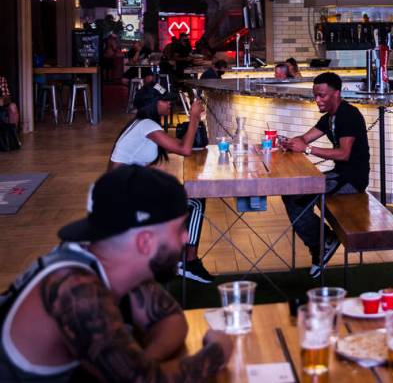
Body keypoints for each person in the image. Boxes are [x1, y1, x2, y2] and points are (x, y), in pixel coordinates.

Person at [0, 167, 232, 381]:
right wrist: (217, 351)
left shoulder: (112, 264)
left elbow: (170, 319)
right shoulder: (76, 290)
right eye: (181, 228)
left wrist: (141, 362)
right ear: (144, 242)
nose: (185, 238)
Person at [109, 85, 212, 284]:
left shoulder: (141, 124)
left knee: (184, 197)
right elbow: (184, 150)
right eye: (165, 100)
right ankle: (188, 261)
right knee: (196, 202)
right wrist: (193, 119)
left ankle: (178, 258)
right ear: (153, 104)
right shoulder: (147, 125)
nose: (169, 104)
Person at [280, 72, 370, 278]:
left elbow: (344, 154)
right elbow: (305, 138)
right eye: (315, 96)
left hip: (352, 180)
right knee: (293, 194)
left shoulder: (349, 115)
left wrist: (307, 150)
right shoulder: (329, 118)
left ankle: (322, 243)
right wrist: (290, 142)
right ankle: (323, 242)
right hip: (339, 175)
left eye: (322, 95)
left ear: (336, 94)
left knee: (296, 198)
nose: (317, 100)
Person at [0, 75, 20, 152]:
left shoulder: (1, 79)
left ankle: (14, 138)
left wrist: (2, 99)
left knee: (13, 107)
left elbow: (7, 97)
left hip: (1, 107)